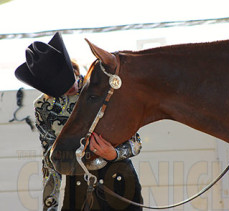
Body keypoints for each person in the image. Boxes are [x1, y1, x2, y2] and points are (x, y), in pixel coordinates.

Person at [15, 32, 143, 211]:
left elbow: (136, 142)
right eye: (64, 90)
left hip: (119, 179)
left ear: (72, 68)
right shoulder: (44, 107)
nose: (73, 88)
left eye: (71, 82)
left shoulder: (103, 89)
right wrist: (50, 205)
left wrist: (114, 154)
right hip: (78, 185)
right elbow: (50, 157)